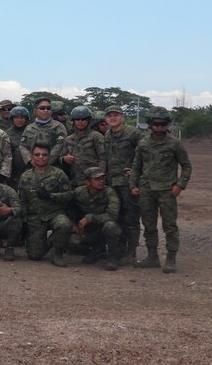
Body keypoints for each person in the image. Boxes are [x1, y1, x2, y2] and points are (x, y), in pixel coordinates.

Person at [130, 107, 192, 273]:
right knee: (148, 224)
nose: (159, 127)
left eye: (163, 124)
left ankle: (171, 258)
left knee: (169, 225)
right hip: (146, 189)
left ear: (167, 124)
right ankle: (152, 256)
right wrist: (133, 185)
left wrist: (180, 185)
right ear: (150, 124)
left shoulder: (174, 144)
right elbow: (136, 166)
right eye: (156, 124)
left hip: (167, 190)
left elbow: (186, 166)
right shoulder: (143, 143)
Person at [17, 144, 73, 266]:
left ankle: (57, 254)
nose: (41, 157)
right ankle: (50, 242)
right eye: (37, 155)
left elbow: (68, 196)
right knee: (34, 255)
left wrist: (51, 195)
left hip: (54, 213)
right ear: (32, 157)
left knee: (64, 224)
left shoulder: (58, 174)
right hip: (35, 217)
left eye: (44, 154)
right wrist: (23, 221)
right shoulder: (25, 177)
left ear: (49, 156)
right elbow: (22, 201)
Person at [104, 104, 144, 263]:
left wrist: (135, 171)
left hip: (128, 183)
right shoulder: (107, 134)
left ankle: (131, 251)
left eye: (116, 115)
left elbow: (143, 154)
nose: (112, 118)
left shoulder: (134, 133)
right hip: (112, 183)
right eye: (109, 115)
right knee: (116, 216)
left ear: (122, 117)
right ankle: (119, 248)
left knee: (131, 217)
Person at [70, 167, 121, 271]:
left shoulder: (109, 192)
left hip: (104, 228)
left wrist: (90, 218)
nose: (101, 181)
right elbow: (70, 208)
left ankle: (112, 257)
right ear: (88, 182)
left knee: (110, 226)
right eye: (97, 179)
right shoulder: (79, 192)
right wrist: (73, 223)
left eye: (103, 178)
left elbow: (112, 215)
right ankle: (95, 250)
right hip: (89, 229)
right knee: (71, 240)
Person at [53, 106, 108, 186]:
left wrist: (100, 178)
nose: (80, 122)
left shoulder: (96, 136)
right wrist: (65, 159)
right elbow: (61, 157)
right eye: (77, 119)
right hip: (74, 181)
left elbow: (103, 159)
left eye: (83, 119)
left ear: (89, 120)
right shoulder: (68, 139)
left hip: (93, 181)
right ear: (73, 121)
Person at [19, 98, 67, 165]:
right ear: (35, 111)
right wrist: (30, 160)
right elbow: (22, 146)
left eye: (48, 108)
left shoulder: (58, 126)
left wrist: (46, 161)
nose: (46, 110)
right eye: (42, 108)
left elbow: (59, 145)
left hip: (53, 168)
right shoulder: (29, 128)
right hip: (33, 167)